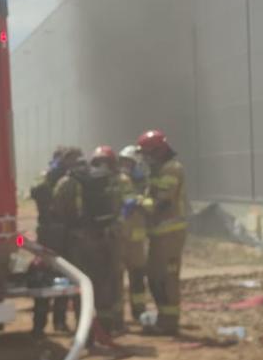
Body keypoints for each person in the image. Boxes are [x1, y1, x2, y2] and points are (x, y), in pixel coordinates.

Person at [136, 129, 187, 336]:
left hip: (170, 234)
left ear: (158, 151)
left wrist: (139, 202)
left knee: (167, 277)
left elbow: (162, 203)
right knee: (154, 276)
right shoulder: (158, 170)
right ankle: (164, 318)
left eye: (147, 153)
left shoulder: (172, 169)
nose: (145, 158)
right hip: (158, 234)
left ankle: (169, 323)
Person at [28, 146, 83, 335]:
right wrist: (52, 174)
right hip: (47, 233)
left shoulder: (76, 179)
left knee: (65, 278)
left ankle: (60, 322)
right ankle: (39, 325)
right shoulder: (45, 177)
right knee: (43, 277)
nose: (71, 164)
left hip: (68, 234)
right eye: (67, 159)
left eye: (75, 160)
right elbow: (36, 192)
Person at [78, 145, 126, 338]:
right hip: (103, 237)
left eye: (105, 162)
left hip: (105, 236)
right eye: (100, 163)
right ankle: (106, 323)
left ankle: (111, 321)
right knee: (106, 279)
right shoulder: (93, 183)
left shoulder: (118, 181)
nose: (102, 167)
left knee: (110, 279)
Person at [117, 144, 151, 322]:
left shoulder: (143, 183)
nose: (125, 166)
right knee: (116, 277)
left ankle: (139, 312)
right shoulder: (120, 180)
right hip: (121, 237)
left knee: (137, 276)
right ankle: (117, 316)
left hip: (136, 240)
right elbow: (127, 202)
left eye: (129, 163)